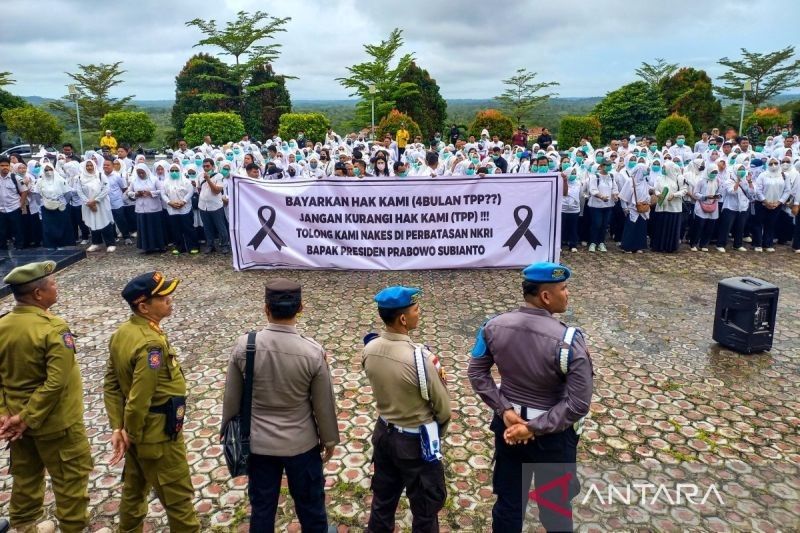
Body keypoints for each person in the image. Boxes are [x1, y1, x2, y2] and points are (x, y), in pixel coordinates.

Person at [468, 262, 593, 533]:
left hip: (509, 430)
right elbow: (579, 403)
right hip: (553, 437)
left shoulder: (492, 326)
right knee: (555, 511)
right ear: (546, 296)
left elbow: (477, 372)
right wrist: (533, 427)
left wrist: (505, 410)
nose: (568, 293)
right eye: (563, 288)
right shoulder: (569, 340)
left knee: (509, 506)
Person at [221, 278, 340, 532]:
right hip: (302, 445)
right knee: (311, 506)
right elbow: (324, 404)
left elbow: (231, 399)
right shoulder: (312, 352)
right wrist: (329, 440)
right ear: (301, 308)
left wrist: (227, 433)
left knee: (262, 508)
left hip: (259, 445)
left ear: (266, 308)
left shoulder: (245, 346)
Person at [0, 261, 93, 533]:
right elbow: (56, 383)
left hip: (16, 426)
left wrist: (7, 415)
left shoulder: (3, 325)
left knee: (26, 479)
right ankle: (74, 527)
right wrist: (28, 418)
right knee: (70, 482)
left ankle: (25, 527)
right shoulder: (53, 328)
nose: (57, 287)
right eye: (52, 283)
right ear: (38, 294)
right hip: (56, 424)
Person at [104, 271, 200, 532]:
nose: (169, 298)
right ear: (144, 306)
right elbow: (138, 399)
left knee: (134, 492)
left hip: (135, 432)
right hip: (156, 436)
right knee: (178, 499)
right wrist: (130, 434)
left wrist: (118, 429)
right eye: (162, 296)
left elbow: (111, 386)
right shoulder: (150, 345)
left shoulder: (123, 333)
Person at [363, 286, 451, 532]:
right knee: (425, 509)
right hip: (416, 443)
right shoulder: (420, 360)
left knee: (382, 501)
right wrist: (436, 433)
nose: (418, 313)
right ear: (403, 319)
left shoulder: (369, 349)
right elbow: (444, 410)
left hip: (383, 434)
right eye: (415, 309)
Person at [75, 160, 117, 252]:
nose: (89, 167)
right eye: (87, 166)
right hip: (88, 205)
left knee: (105, 222)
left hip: (101, 203)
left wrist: (96, 200)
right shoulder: (80, 178)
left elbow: (106, 189)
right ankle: (96, 243)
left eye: (91, 165)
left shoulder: (100, 175)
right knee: (92, 223)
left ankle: (110, 243)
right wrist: (88, 202)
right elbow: (79, 191)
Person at [34, 162, 74, 249]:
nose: (48, 171)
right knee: (48, 228)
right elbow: (36, 194)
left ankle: (61, 244)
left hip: (60, 206)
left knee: (60, 226)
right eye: (46, 170)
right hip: (46, 207)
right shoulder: (40, 181)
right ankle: (50, 245)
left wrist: (63, 203)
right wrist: (41, 204)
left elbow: (68, 193)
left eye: (50, 169)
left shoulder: (60, 180)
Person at [162, 163, 199, 255]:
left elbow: (190, 192)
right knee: (175, 229)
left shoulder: (186, 181)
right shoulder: (165, 182)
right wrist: (169, 202)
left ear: (180, 171)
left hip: (185, 208)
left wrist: (183, 201)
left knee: (188, 228)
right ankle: (179, 247)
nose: (174, 172)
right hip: (172, 208)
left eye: (176, 170)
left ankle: (193, 246)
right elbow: (163, 194)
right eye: (172, 170)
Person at [129, 163, 166, 253]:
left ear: (146, 171)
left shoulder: (154, 179)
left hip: (154, 207)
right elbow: (129, 192)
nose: (141, 175)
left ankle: (160, 246)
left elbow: (161, 191)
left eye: (142, 173)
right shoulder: (134, 181)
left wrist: (150, 193)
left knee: (155, 227)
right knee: (144, 228)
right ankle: (147, 247)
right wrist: (136, 194)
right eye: (139, 173)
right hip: (141, 208)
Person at [197, 158, 230, 254]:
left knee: (221, 227)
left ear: (213, 166)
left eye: (208, 166)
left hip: (216, 206)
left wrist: (208, 179)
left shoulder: (219, 176)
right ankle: (210, 245)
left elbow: (216, 191)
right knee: (207, 227)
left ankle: (224, 245)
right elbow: (199, 189)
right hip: (203, 206)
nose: (206, 168)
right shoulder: (199, 175)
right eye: (204, 166)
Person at [587, 157, 618, 252]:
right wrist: (601, 197)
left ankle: (601, 242)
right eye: (607, 165)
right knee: (597, 224)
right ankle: (592, 242)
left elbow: (614, 188)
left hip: (608, 205)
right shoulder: (595, 177)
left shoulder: (611, 176)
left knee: (604, 225)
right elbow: (593, 190)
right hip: (596, 205)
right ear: (601, 166)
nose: (609, 167)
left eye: (610, 165)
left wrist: (615, 195)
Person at [0, 155, 28, 255]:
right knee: (2, 231)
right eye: (2, 165)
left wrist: (21, 204)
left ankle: (19, 247)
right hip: (1, 209)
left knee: (17, 229)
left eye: (6, 165)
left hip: (14, 207)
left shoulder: (15, 177)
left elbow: (24, 191)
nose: (4, 167)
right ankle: (2, 249)